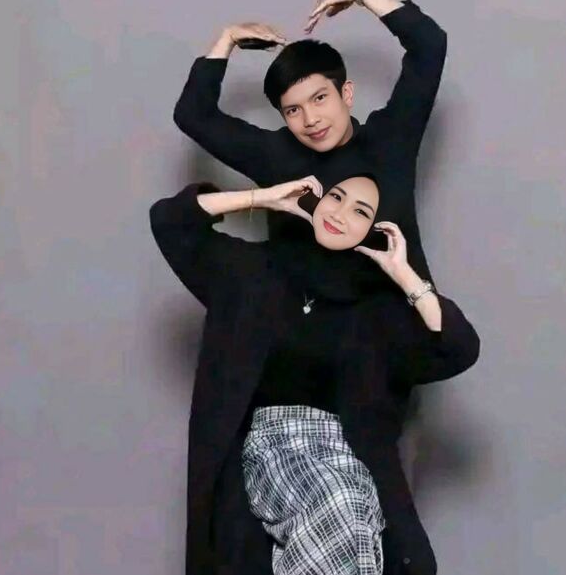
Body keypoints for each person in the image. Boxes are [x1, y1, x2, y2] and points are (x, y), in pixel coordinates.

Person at [149, 164, 480, 574]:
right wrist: (264, 198)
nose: (340, 214)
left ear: (377, 228)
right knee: (338, 503)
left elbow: (458, 348)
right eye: (336, 197)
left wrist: (403, 272)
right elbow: (171, 222)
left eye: (360, 211)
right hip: (272, 447)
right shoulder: (252, 272)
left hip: (349, 455)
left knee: (354, 517)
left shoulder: (378, 311)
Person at [173, 0, 447, 284]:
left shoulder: (390, 139)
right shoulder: (275, 155)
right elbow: (192, 115)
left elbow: (429, 44)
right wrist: (227, 38)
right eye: (293, 110)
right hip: (303, 312)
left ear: (346, 94)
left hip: (402, 309)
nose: (311, 119)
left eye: (319, 99)